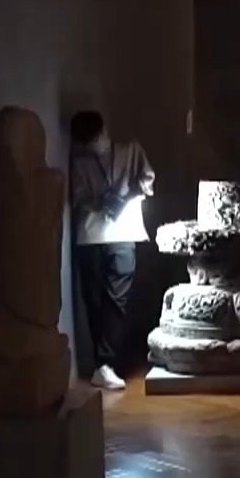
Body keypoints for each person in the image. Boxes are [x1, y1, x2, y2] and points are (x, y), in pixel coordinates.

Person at [68, 110, 155, 390]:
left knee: (116, 299)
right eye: (89, 143)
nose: (95, 145)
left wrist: (125, 197)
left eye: (97, 138)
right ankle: (102, 365)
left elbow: (148, 180)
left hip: (124, 232)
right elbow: (77, 196)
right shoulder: (80, 161)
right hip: (90, 236)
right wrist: (100, 202)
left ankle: (104, 361)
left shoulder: (130, 150)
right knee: (94, 301)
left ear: (105, 131)